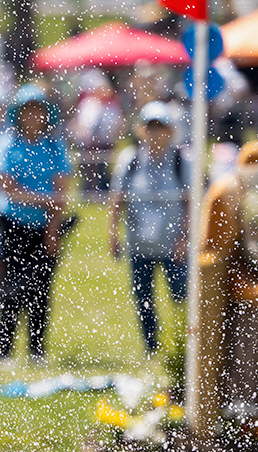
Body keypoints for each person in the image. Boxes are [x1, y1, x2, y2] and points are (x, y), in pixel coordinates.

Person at [0, 85, 73, 366]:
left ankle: (36, 349)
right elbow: (7, 187)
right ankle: (4, 350)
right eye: (28, 110)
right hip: (13, 224)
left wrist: (52, 229)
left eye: (38, 110)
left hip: (45, 227)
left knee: (41, 289)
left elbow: (61, 192)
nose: (33, 116)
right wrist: (42, 200)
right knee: (12, 287)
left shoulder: (55, 146)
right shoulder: (8, 144)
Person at [108, 102, 189, 358]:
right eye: (151, 127)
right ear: (141, 130)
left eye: (161, 127)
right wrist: (112, 234)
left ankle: (181, 348)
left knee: (180, 299)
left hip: (173, 244)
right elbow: (117, 200)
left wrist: (184, 239)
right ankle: (152, 349)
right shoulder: (130, 160)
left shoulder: (180, 160)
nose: (156, 133)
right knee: (144, 301)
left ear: (170, 131)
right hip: (139, 243)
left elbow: (190, 203)